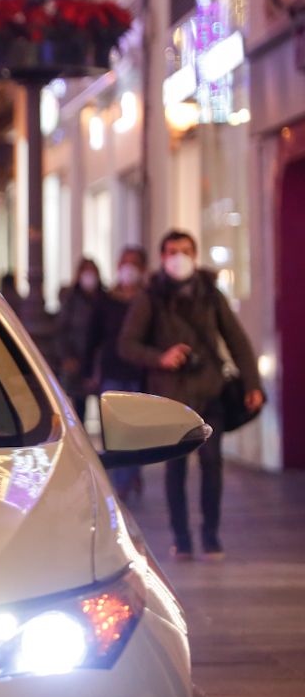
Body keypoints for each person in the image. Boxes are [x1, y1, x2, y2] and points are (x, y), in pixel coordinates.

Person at [119, 230, 264, 560]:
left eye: (184, 251)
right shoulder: (150, 297)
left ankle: (211, 535)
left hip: (209, 391)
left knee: (213, 464)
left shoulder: (211, 294)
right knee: (176, 469)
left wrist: (252, 383)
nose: (178, 257)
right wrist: (161, 357)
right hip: (171, 398)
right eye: (171, 251)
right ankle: (181, 538)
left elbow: (237, 340)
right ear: (162, 257)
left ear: (195, 255)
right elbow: (127, 344)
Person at [86, 246, 149, 501]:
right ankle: (121, 481)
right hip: (111, 373)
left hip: (138, 374)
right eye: (125, 262)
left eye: (134, 263)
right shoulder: (106, 301)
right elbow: (93, 338)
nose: (129, 268)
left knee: (136, 432)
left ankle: (128, 476)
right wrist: (88, 370)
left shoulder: (147, 301)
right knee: (113, 432)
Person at [56, 258, 104, 422]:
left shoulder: (104, 299)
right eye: (85, 271)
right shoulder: (71, 299)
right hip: (76, 362)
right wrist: (67, 357)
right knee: (79, 410)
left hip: (99, 365)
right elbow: (61, 331)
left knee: (105, 409)